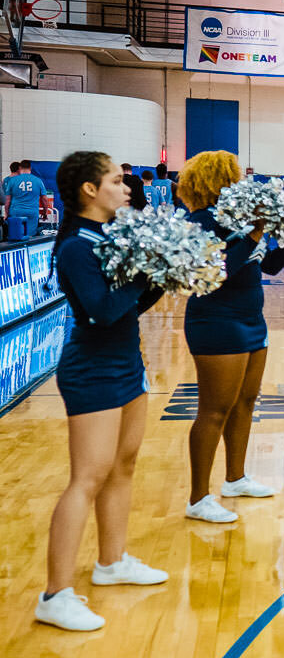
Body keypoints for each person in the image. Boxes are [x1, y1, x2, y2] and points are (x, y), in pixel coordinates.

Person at [36, 151, 169, 631]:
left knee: (123, 466)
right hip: (91, 368)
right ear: (90, 190)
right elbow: (102, 310)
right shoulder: (76, 245)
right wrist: (141, 276)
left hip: (126, 361)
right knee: (86, 478)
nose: (127, 187)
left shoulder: (111, 234)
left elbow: (135, 305)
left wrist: (162, 273)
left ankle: (111, 563)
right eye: (116, 180)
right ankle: (54, 594)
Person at [179, 151, 284, 523]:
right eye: (234, 175)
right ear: (218, 180)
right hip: (217, 320)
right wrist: (255, 234)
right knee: (214, 410)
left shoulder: (236, 220)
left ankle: (235, 477)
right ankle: (199, 498)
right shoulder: (200, 221)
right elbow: (217, 271)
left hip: (251, 319)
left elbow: (267, 265)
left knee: (246, 402)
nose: (243, 182)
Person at [3, 159, 48, 239]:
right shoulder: (38, 181)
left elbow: (8, 201)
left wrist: (6, 213)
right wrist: (44, 213)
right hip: (32, 212)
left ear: (20, 168)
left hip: (16, 211)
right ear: (30, 168)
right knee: (30, 237)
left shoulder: (12, 180)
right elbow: (44, 199)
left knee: (16, 236)